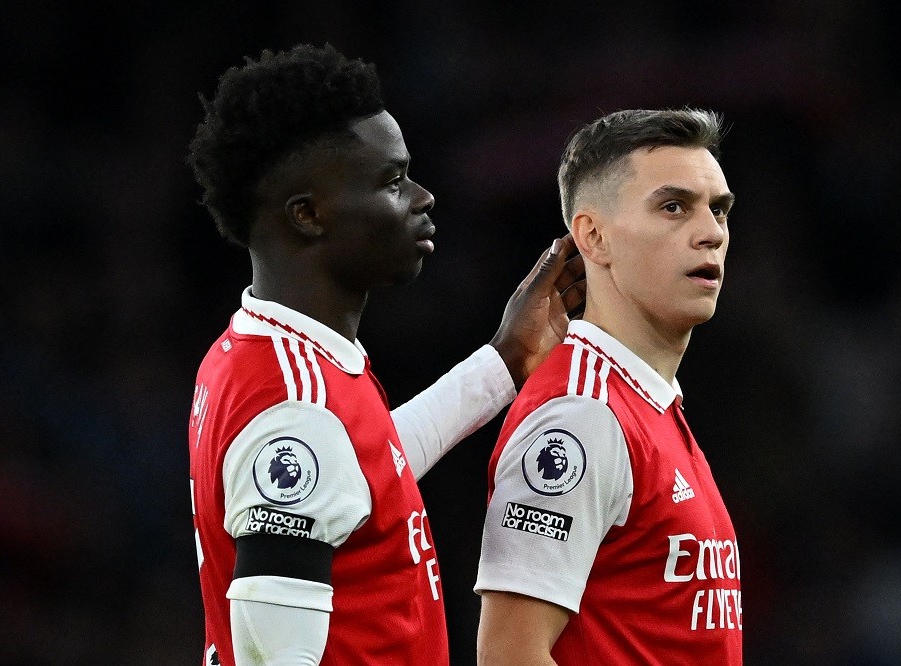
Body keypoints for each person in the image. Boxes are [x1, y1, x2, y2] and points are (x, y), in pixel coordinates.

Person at [185, 43, 583, 666]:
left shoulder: (267, 356)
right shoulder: (296, 405)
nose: (422, 197)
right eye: (392, 181)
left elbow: (359, 477)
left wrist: (505, 361)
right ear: (308, 215)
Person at [475, 108, 742, 664]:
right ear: (593, 237)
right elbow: (508, 654)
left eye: (719, 209)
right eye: (674, 207)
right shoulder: (581, 416)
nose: (711, 232)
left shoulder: (647, 404)